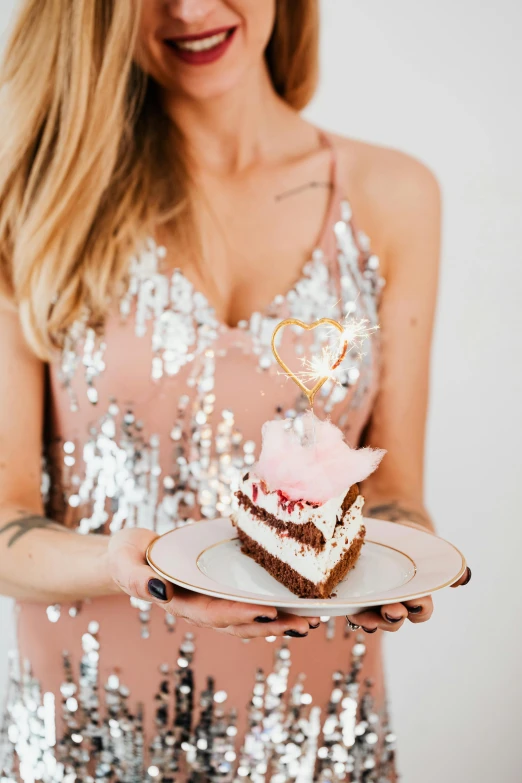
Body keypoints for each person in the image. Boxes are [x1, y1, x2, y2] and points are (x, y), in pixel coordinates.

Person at [0, 1, 471, 780]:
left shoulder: (395, 194)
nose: (188, 9)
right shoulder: (34, 199)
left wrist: (400, 555)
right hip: (83, 734)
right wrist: (127, 563)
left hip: (316, 731)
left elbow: (392, 491)